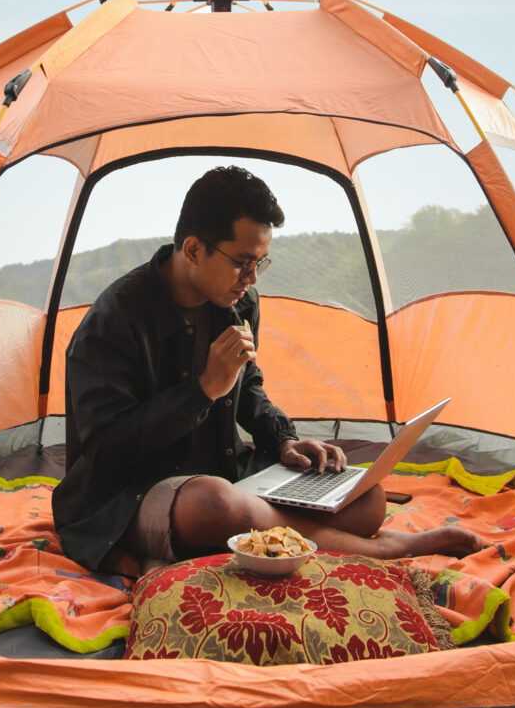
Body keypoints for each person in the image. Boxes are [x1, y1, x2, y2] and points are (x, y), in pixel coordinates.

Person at [52, 166, 481, 571]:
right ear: (193, 249)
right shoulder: (113, 322)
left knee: (367, 500)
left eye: (260, 262)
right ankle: (381, 551)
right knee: (218, 506)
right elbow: (105, 452)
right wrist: (201, 392)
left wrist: (282, 441)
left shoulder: (238, 302)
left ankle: (241, 532)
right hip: (128, 495)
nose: (252, 279)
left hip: (222, 471)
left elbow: (248, 386)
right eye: (242, 261)